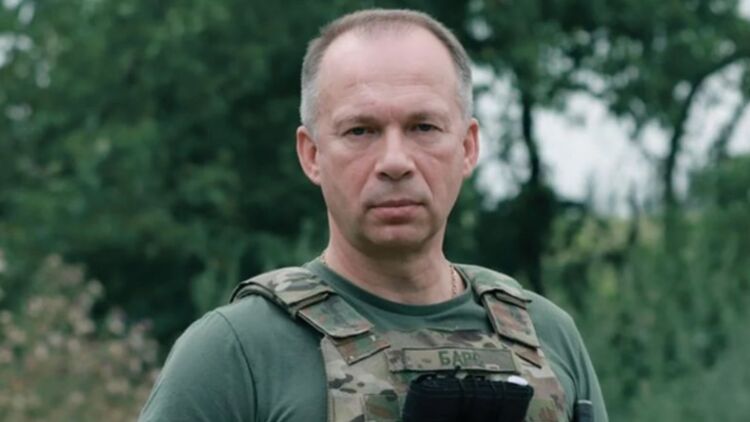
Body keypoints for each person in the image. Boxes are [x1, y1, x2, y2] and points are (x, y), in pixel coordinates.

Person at [140, 8, 608, 422]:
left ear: (467, 147)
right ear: (312, 154)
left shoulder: (546, 335)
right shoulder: (237, 351)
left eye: (423, 127)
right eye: (361, 130)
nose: (395, 161)